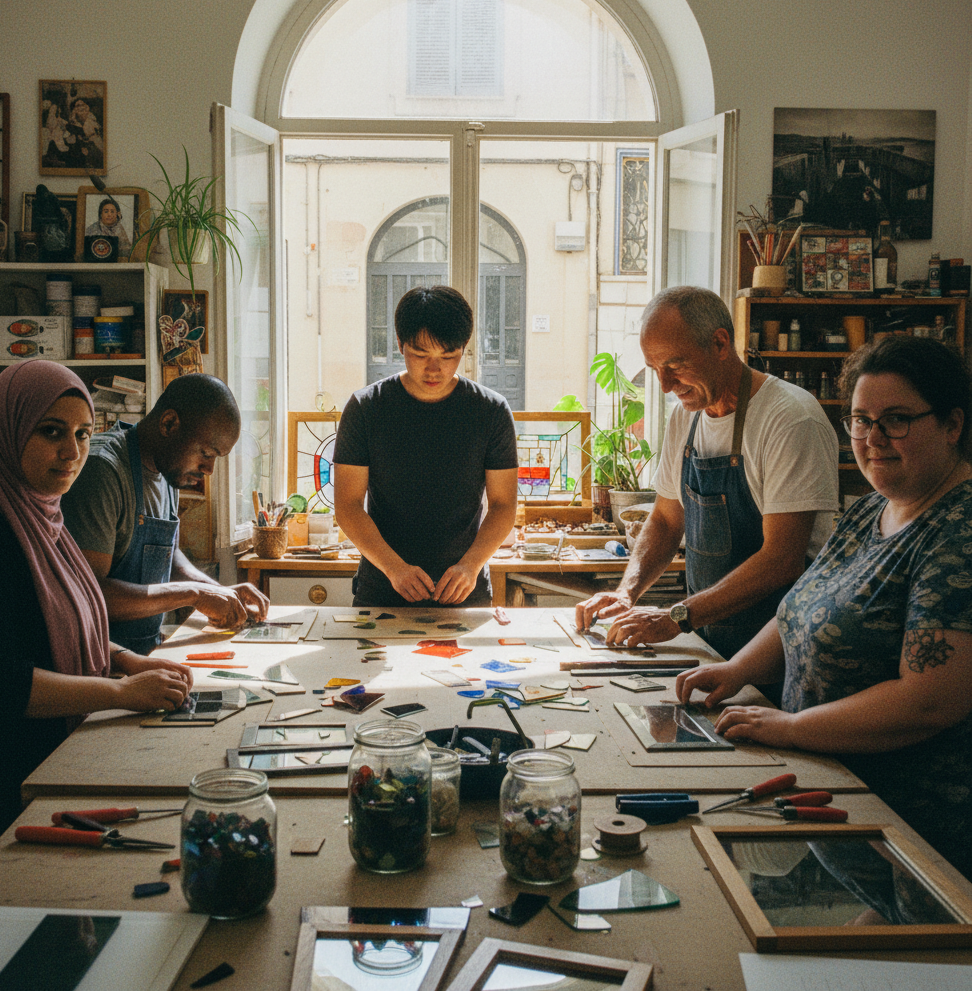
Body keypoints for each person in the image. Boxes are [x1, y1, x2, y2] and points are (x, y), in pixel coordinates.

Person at [677, 336, 972, 879]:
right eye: (860, 420)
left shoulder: (959, 532)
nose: (873, 439)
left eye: (897, 420)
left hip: (918, 840)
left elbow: (930, 701)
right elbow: (798, 609)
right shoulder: (870, 511)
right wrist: (737, 669)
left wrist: (792, 727)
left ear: (953, 425)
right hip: (841, 801)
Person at [0, 361, 194, 889]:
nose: (72, 451)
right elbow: (0, 682)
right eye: (51, 432)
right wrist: (123, 691)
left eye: (83, 434)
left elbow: (65, 620)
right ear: (7, 428)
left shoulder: (45, 514)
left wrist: (125, 659)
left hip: (51, 758)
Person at [577, 286, 838, 657]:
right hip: (709, 638)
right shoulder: (686, 417)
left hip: (778, 648)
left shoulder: (790, 419)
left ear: (719, 344)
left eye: (675, 366)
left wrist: (676, 617)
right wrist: (626, 592)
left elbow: (782, 560)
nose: (665, 385)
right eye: (655, 370)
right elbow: (667, 521)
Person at [333, 285, 518, 607]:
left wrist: (470, 566)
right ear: (400, 344)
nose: (435, 369)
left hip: (464, 590)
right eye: (421, 355)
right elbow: (348, 505)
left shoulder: (491, 411)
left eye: (449, 356)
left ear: (465, 347)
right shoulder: (366, 408)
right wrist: (395, 569)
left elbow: (503, 505)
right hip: (383, 589)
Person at [62, 373, 268, 653]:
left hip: (145, 652)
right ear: (169, 424)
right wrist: (194, 594)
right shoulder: (102, 471)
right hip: (97, 662)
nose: (208, 470)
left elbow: (165, 554)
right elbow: (89, 594)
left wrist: (216, 590)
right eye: (206, 453)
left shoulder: (166, 469)